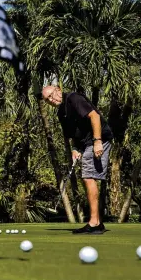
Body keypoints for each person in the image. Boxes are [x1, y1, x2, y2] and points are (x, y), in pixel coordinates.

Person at [41, 85, 113, 234]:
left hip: (99, 138)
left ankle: (94, 223)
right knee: (87, 177)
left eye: (52, 94)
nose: (51, 99)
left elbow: (95, 116)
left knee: (88, 177)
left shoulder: (73, 98)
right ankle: (97, 223)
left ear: (58, 89)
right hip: (86, 143)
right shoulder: (61, 113)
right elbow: (74, 134)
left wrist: (97, 140)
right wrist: (75, 149)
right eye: (47, 99)